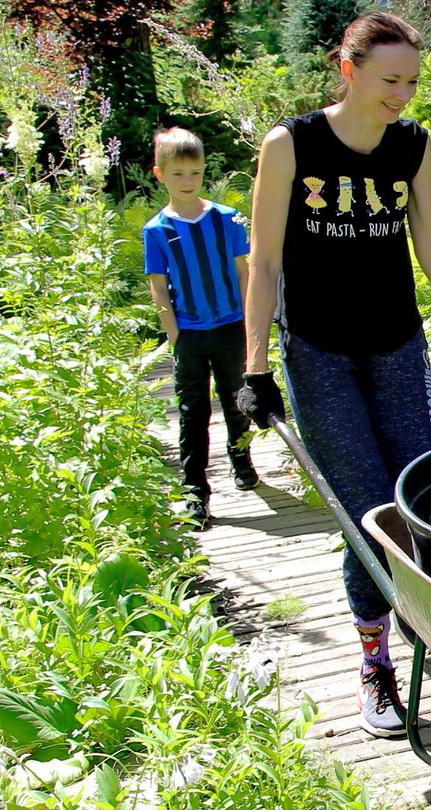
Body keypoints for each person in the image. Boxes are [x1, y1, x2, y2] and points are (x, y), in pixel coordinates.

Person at [234, 11, 431, 738]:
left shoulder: (412, 146)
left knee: (421, 501)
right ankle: (375, 662)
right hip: (319, 352)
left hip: (398, 345)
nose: (403, 95)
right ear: (348, 68)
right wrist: (255, 367)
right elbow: (264, 262)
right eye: (391, 80)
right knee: (367, 514)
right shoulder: (291, 143)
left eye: (414, 82)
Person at [145, 127, 259, 527]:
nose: (187, 182)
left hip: (231, 326)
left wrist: (250, 321)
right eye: (178, 175)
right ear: (160, 175)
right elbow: (158, 285)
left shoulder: (226, 219)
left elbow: (243, 271)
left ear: (203, 171)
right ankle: (195, 492)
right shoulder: (156, 230)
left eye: (194, 173)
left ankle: (240, 456)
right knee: (193, 412)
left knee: (236, 399)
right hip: (189, 334)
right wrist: (174, 334)